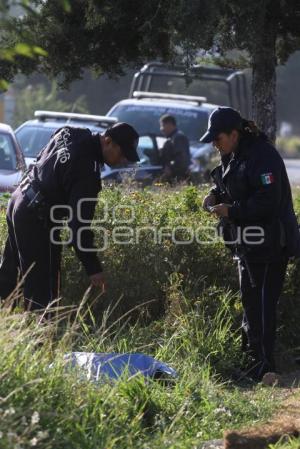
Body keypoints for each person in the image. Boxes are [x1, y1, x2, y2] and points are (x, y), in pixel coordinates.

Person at [201, 107, 300, 381]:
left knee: (264, 307)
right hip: (246, 245)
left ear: (234, 134)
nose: (214, 143)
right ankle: (251, 362)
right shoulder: (232, 153)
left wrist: (231, 211)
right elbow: (226, 181)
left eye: (217, 138)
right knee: (250, 304)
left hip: (270, 245)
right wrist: (212, 195)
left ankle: (266, 367)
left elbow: (267, 201)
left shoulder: (262, 156)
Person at [0, 122, 139, 311]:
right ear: (108, 141)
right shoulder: (87, 173)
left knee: (8, 277)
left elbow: (44, 158)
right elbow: (78, 228)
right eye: (122, 154)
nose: (123, 160)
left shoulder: (71, 132)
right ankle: (41, 339)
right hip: (36, 218)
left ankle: (7, 331)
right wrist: (94, 268)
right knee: (44, 293)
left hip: (19, 200)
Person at [159, 114, 191, 182]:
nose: (161, 129)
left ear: (169, 124)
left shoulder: (178, 138)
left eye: (163, 125)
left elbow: (181, 159)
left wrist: (170, 169)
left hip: (178, 177)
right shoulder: (172, 138)